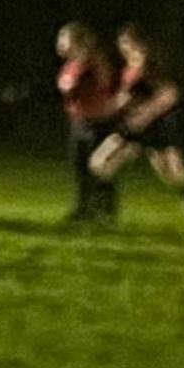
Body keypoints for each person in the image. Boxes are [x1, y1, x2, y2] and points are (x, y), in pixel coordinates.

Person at [94, 23, 184, 232]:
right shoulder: (130, 66)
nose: (123, 46)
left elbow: (170, 94)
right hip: (134, 126)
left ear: (140, 43)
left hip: (158, 126)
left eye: (127, 42)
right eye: (122, 42)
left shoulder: (152, 65)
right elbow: (131, 95)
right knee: (101, 162)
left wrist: (146, 113)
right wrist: (117, 105)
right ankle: (105, 215)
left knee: (174, 175)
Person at [55, 22, 128, 224]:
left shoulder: (94, 60)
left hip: (99, 122)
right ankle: (83, 209)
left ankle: (106, 211)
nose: (60, 44)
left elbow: (102, 85)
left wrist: (77, 89)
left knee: (99, 168)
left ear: (78, 41)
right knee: (79, 168)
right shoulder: (71, 64)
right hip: (80, 121)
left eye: (64, 39)